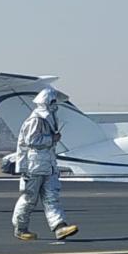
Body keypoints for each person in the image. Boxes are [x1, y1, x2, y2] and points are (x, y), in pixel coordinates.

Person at [11, 87, 78, 241]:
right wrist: (52, 139)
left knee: (51, 197)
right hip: (33, 166)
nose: (56, 105)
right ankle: (20, 228)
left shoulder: (49, 118)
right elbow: (31, 141)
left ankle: (60, 227)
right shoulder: (36, 119)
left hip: (48, 164)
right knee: (29, 199)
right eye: (54, 102)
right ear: (48, 102)